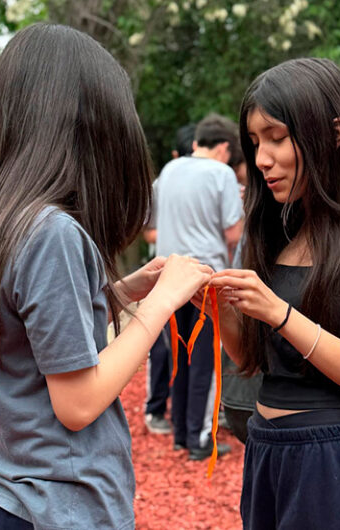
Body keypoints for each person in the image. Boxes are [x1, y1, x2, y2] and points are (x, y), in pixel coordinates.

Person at [0, 24, 213, 529]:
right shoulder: (52, 232)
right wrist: (162, 303)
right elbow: (78, 403)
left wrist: (123, 295)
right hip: (63, 510)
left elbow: (26, 338)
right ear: (86, 126)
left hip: (7, 501)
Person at [205, 57, 340, 529]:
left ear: (336, 132)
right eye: (256, 142)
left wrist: (280, 312)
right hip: (265, 448)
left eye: (278, 138)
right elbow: (251, 362)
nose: (262, 159)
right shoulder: (279, 226)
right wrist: (217, 302)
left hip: (334, 454)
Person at [152, 113, 243, 460]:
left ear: (196, 143)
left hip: (170, 274)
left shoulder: (168, 171)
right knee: (205, 360)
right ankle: (201, 437)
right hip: (207, 278)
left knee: (180, 357)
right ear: (223, 148)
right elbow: (233, 233)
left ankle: (180, 433)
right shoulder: (221, 174)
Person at [142, 123, 197, 435]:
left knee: (194, 345)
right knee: (162, 344)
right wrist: (179, 234)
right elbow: (147, 229)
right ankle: (155, 408)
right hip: (166, 271)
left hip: (196, 273)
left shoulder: (208, 180)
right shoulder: (161, 184)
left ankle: (186, 412)